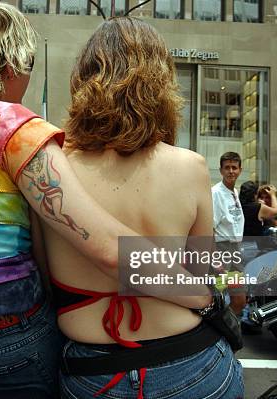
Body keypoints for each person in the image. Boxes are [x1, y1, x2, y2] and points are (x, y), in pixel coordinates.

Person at [0, 2, 210, 396]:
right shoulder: (15, 130)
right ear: (11, 65)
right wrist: (205, 296)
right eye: (29, 63)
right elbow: (107, 248)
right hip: (6, 346)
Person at [41, 17, 243, 399]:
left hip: (90, 372)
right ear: (162, 82)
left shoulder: (51, 170)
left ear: (83, 80)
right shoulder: (190, 167)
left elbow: (43, 273)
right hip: (192, 364)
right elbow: (199, 276)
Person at [212, 152, 246, 315]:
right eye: (227, 168)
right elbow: (208, 229)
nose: (231, 171)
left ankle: (228, 331)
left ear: (240, 170)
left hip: (235, 250)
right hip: (221, 249)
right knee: (216, 298)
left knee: (239, 300)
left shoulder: (235, 192)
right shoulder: (216, 193)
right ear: (221, 170)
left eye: (234, 167)